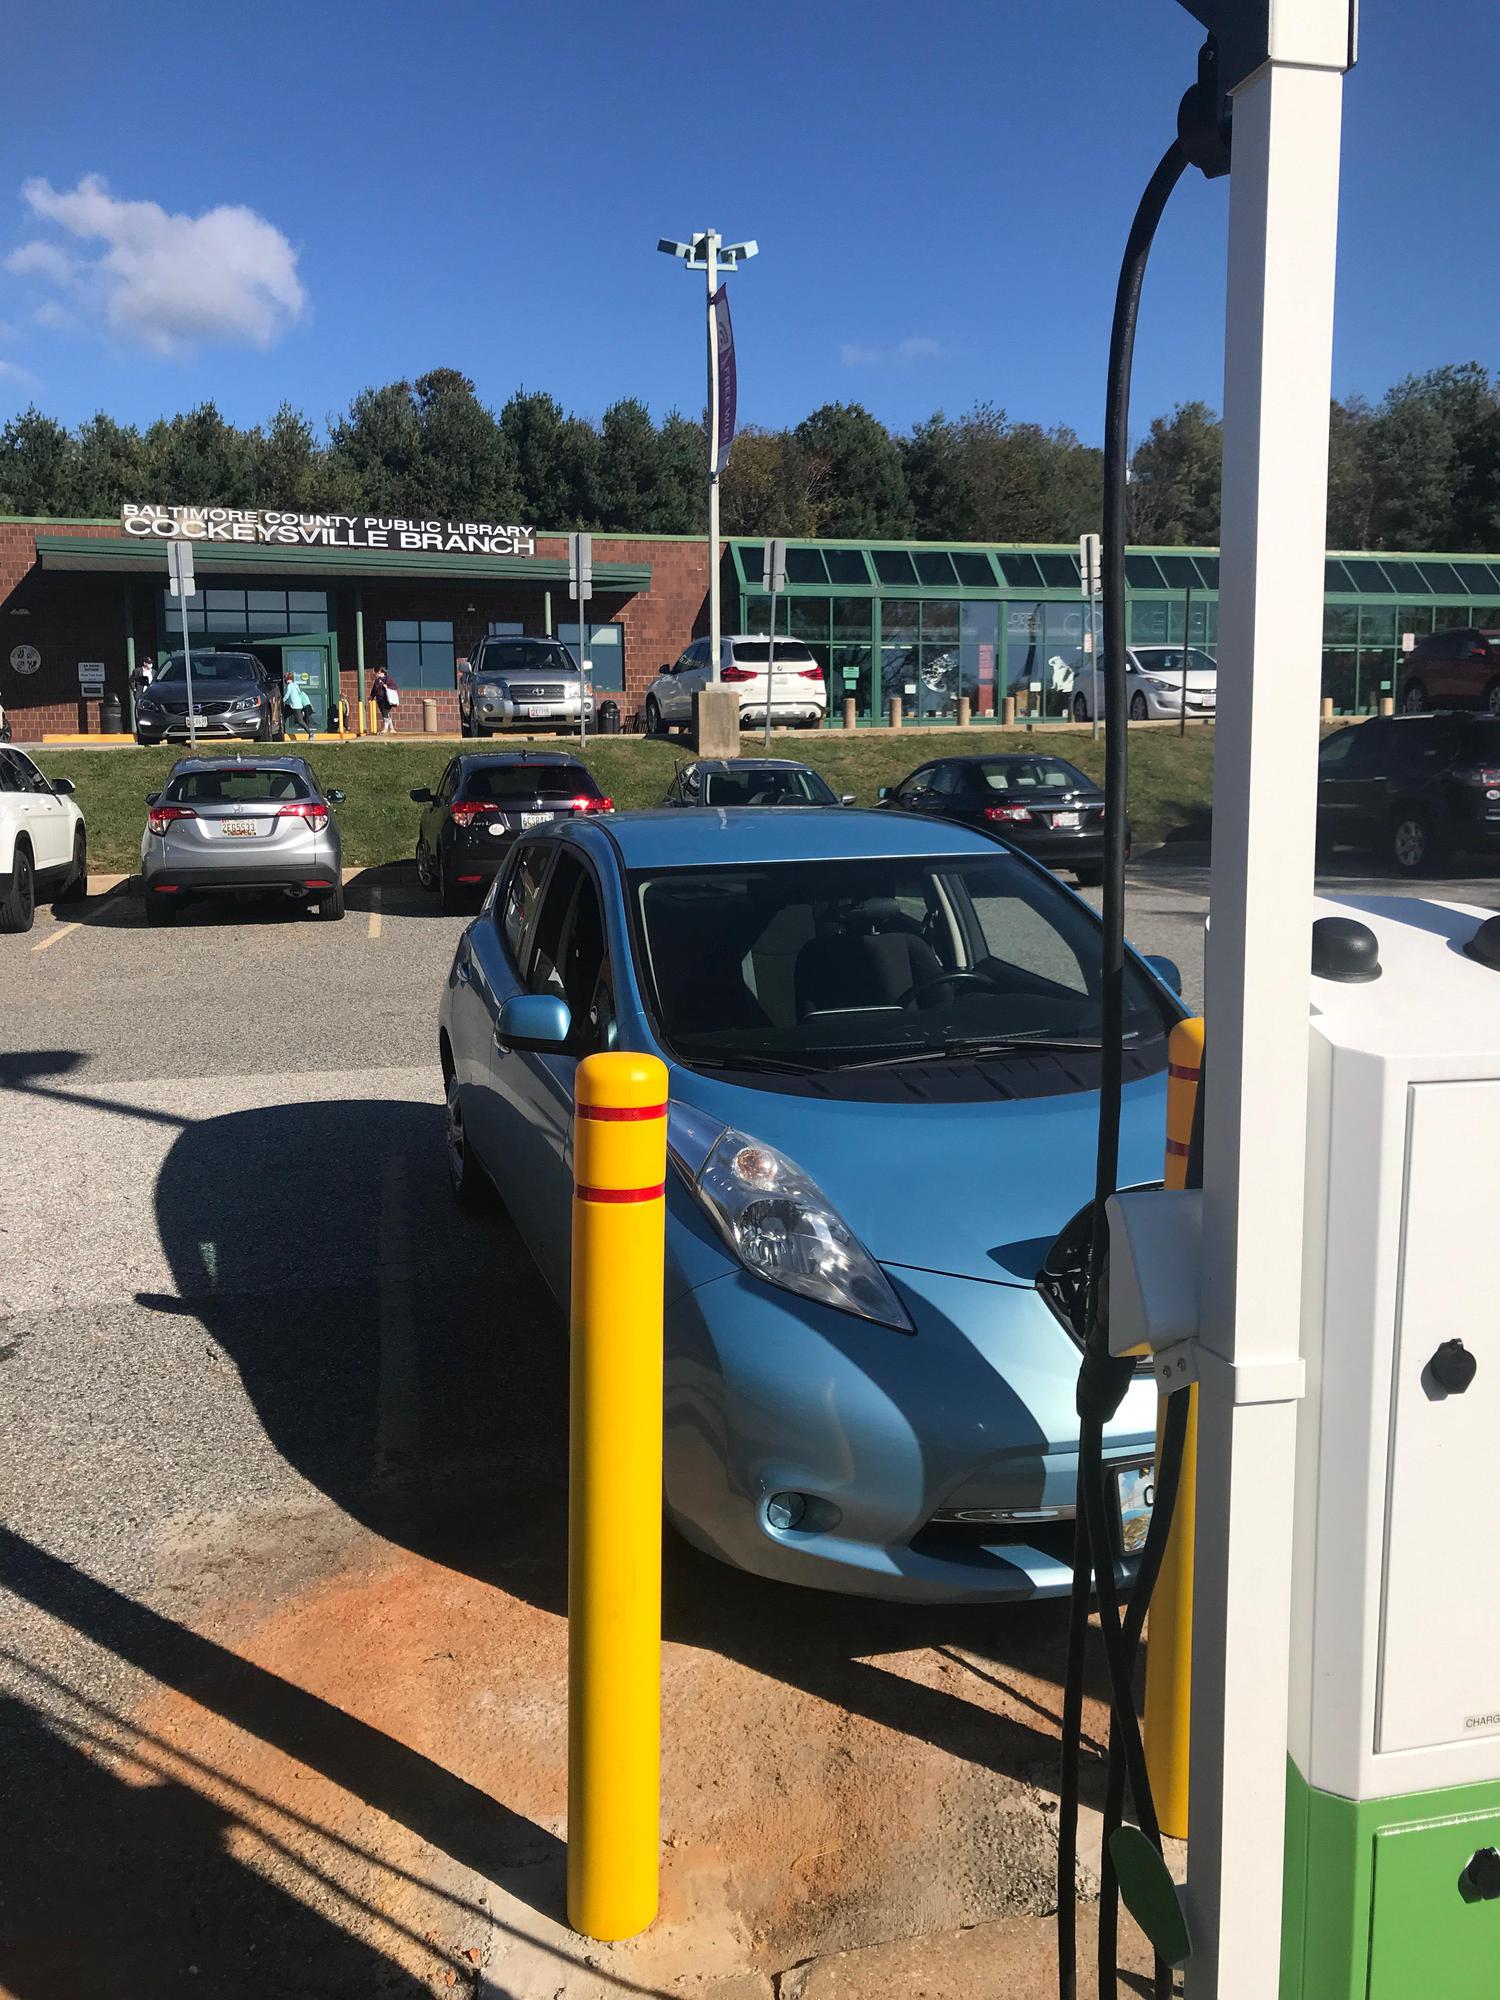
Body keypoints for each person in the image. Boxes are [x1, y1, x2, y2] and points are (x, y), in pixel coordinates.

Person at [283, 671, 315, 741]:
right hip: (296, 705)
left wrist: (282, 700)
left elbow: (287, 695)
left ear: (286, 679)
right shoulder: (295, 685)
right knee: (284, 716)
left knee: (300, 721)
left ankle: (310, 733)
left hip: (295, 706)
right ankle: (283, 731)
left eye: (284, 678)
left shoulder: (290, 686)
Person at [371, 666, 398, 735]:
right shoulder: (377, 681)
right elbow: (374, 690)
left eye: (376, 673)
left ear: (380, 672)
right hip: (379, 699)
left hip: (386, 699)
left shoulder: (388, 678)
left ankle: (385, 728)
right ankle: (392, 728)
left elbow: (395, 686)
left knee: (385, 713)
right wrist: (372, 696)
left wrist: (387, 686)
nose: (375, 674)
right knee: (386, 714)